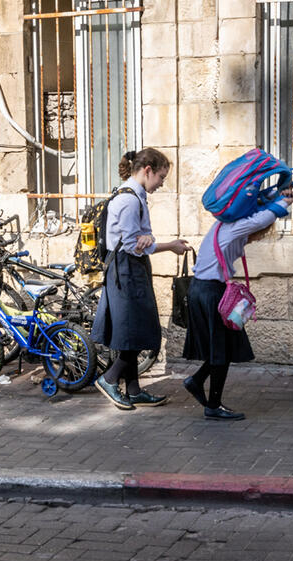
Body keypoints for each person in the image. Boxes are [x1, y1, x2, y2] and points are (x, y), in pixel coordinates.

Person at [181, 189, 293, 421]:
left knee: (224, 345)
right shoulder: (235, 226)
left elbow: (259, 211)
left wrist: (272, 195)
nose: (258, 236)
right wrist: (285, 201)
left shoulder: (224, 226)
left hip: (202, 289)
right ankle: (213, 405)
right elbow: (262, 218)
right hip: (211, 292)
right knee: (222, 348)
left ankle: (197, 381)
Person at [92, 149, 190, 410]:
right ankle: (109, 379)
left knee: (132, 330)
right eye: (160, 176)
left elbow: (135, 242)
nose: (161, 183)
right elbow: (133, 245)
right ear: (147, 170)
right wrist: (166, 245)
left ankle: (134, 391)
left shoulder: (134, 196)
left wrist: (154, 244)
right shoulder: (129, 201)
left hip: (130, 269)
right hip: (126, 271)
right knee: (135, 332)